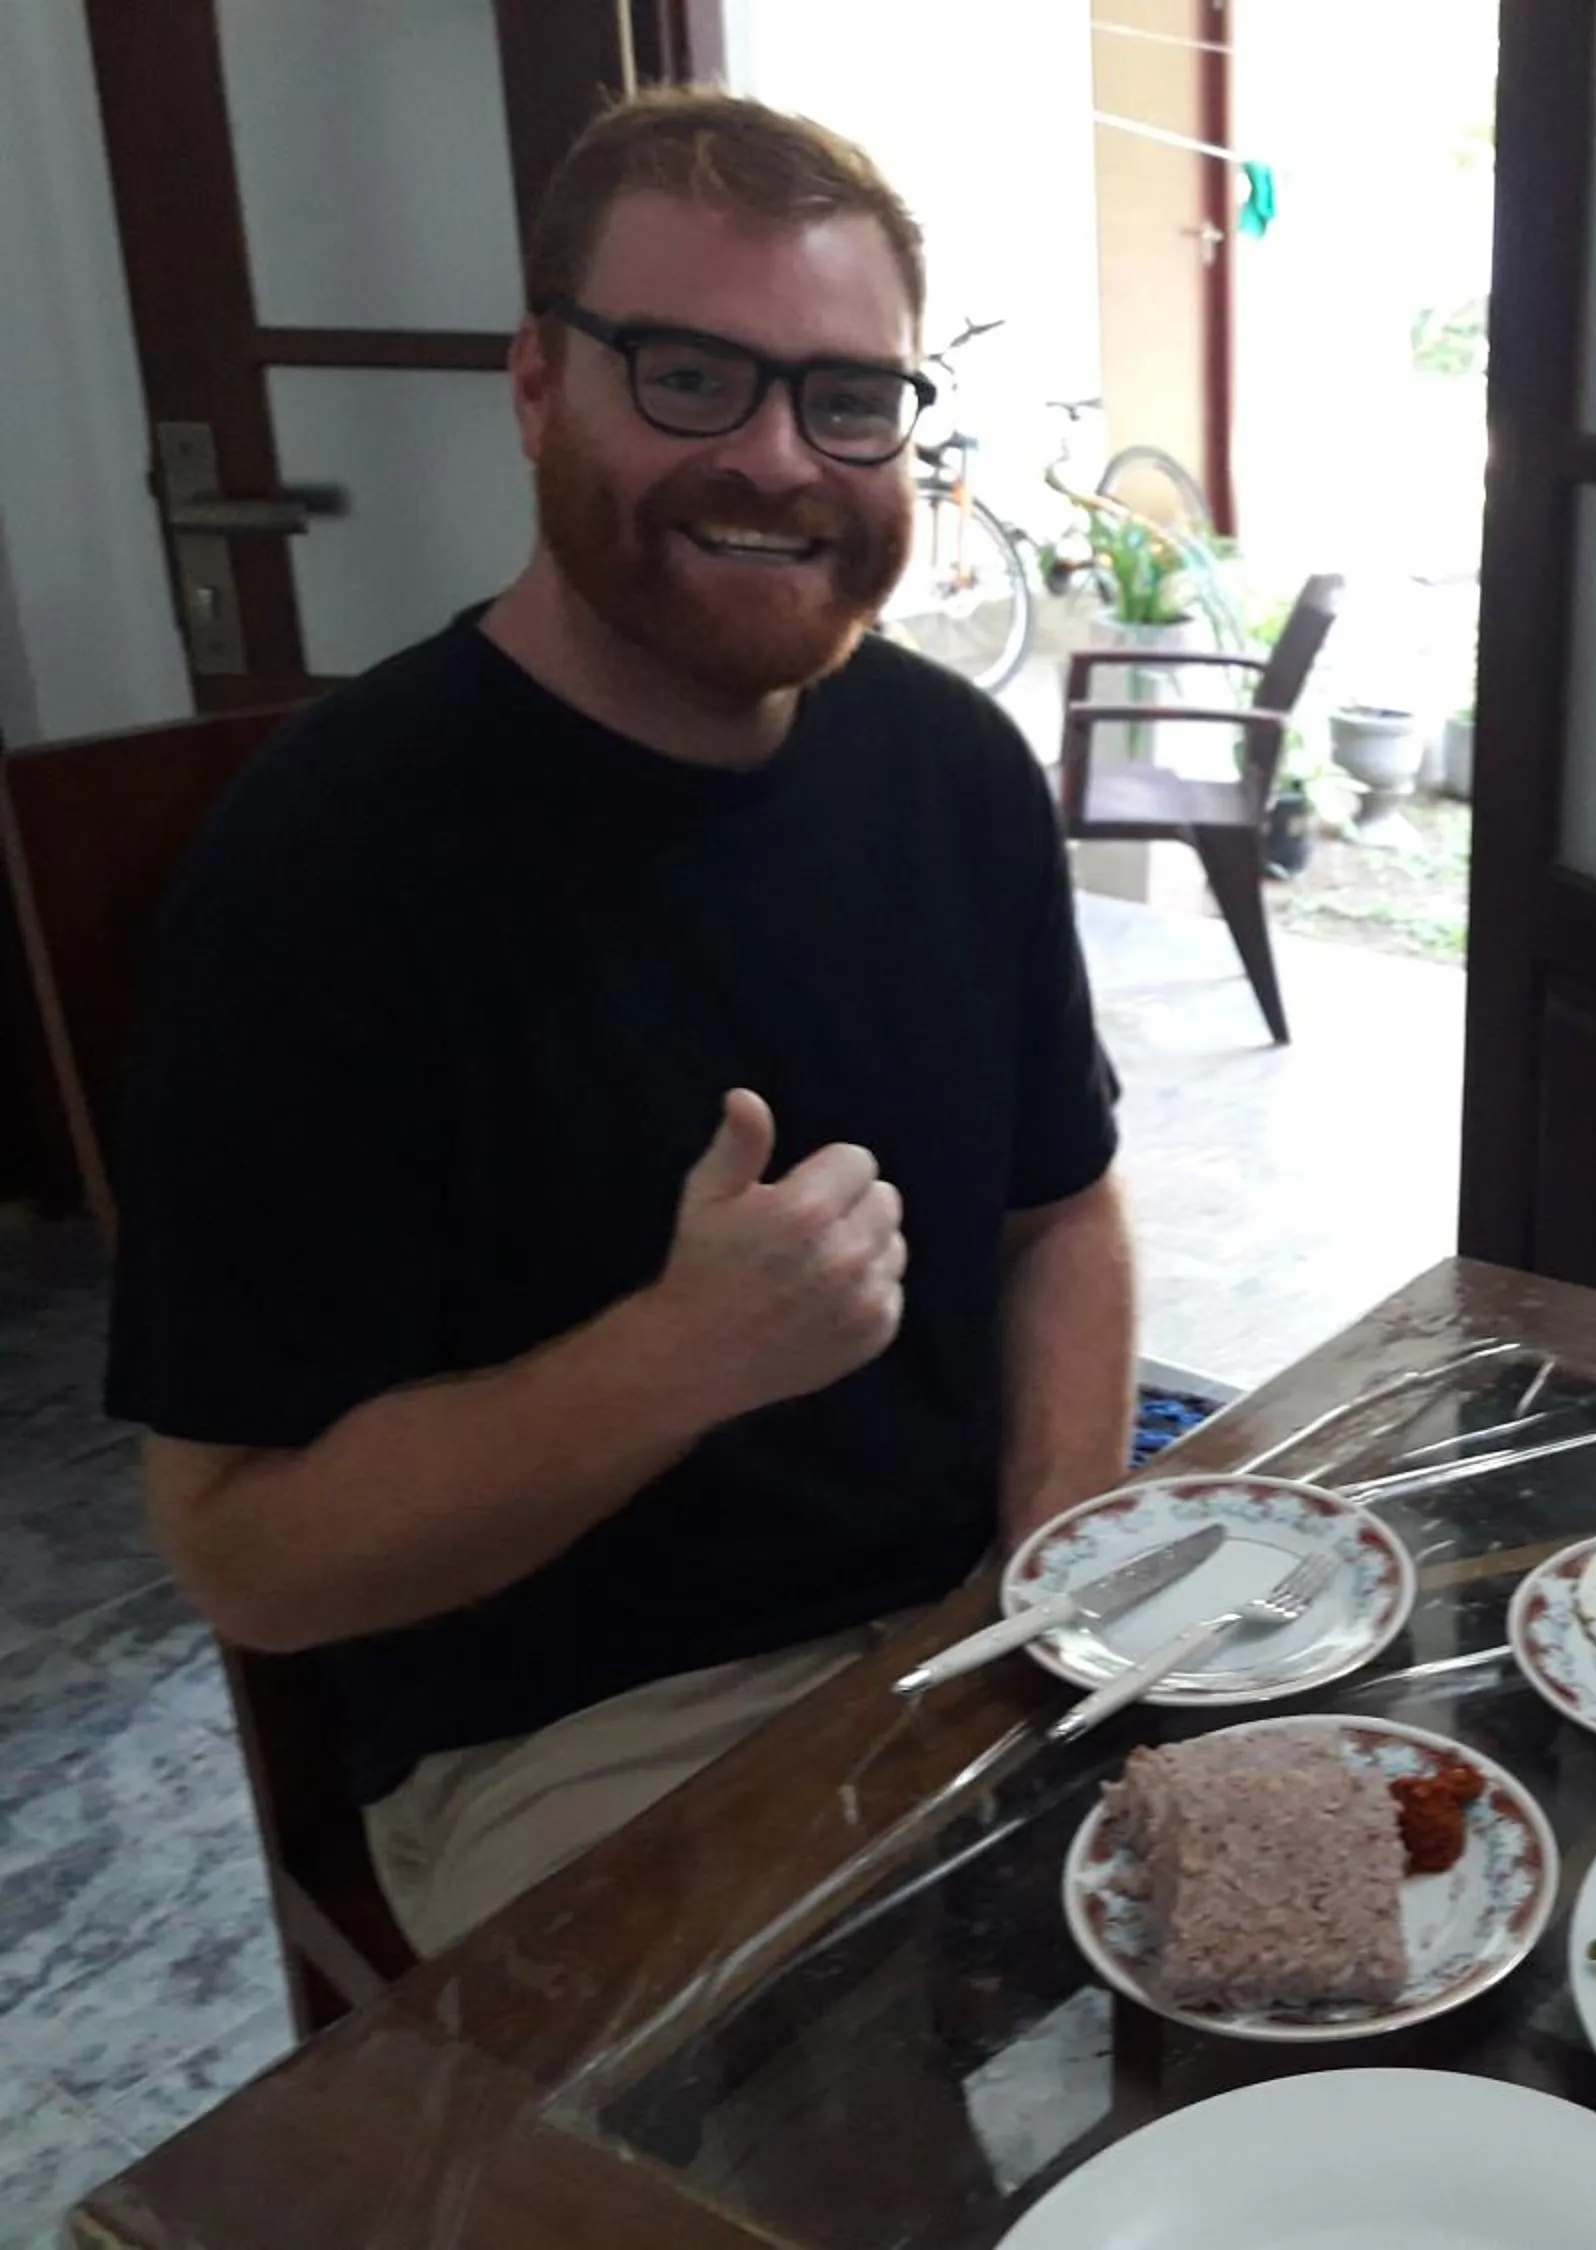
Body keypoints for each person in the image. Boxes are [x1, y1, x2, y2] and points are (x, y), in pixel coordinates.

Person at [102, 91, 1136, 1955]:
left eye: (846, 397)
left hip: (981, 1605)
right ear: (532, 386)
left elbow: (1063, 1211)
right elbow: (241, 1550)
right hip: (584, 1732)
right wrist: (677, 1360)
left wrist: (1051, 1556)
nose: (776, 460)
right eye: (685, 375)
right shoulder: (326, 868)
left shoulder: (955, 769)